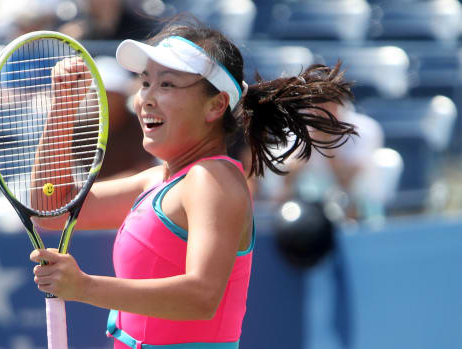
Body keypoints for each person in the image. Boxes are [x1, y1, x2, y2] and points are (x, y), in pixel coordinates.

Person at [29, 16, 357, 348]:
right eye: (145, 83)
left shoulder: (212, 180)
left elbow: (201, 297)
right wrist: (63, 109)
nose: (147, 99)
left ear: (216, 105)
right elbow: (51, 209)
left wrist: (83, 287)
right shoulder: (159, 181)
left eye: (167, 84)